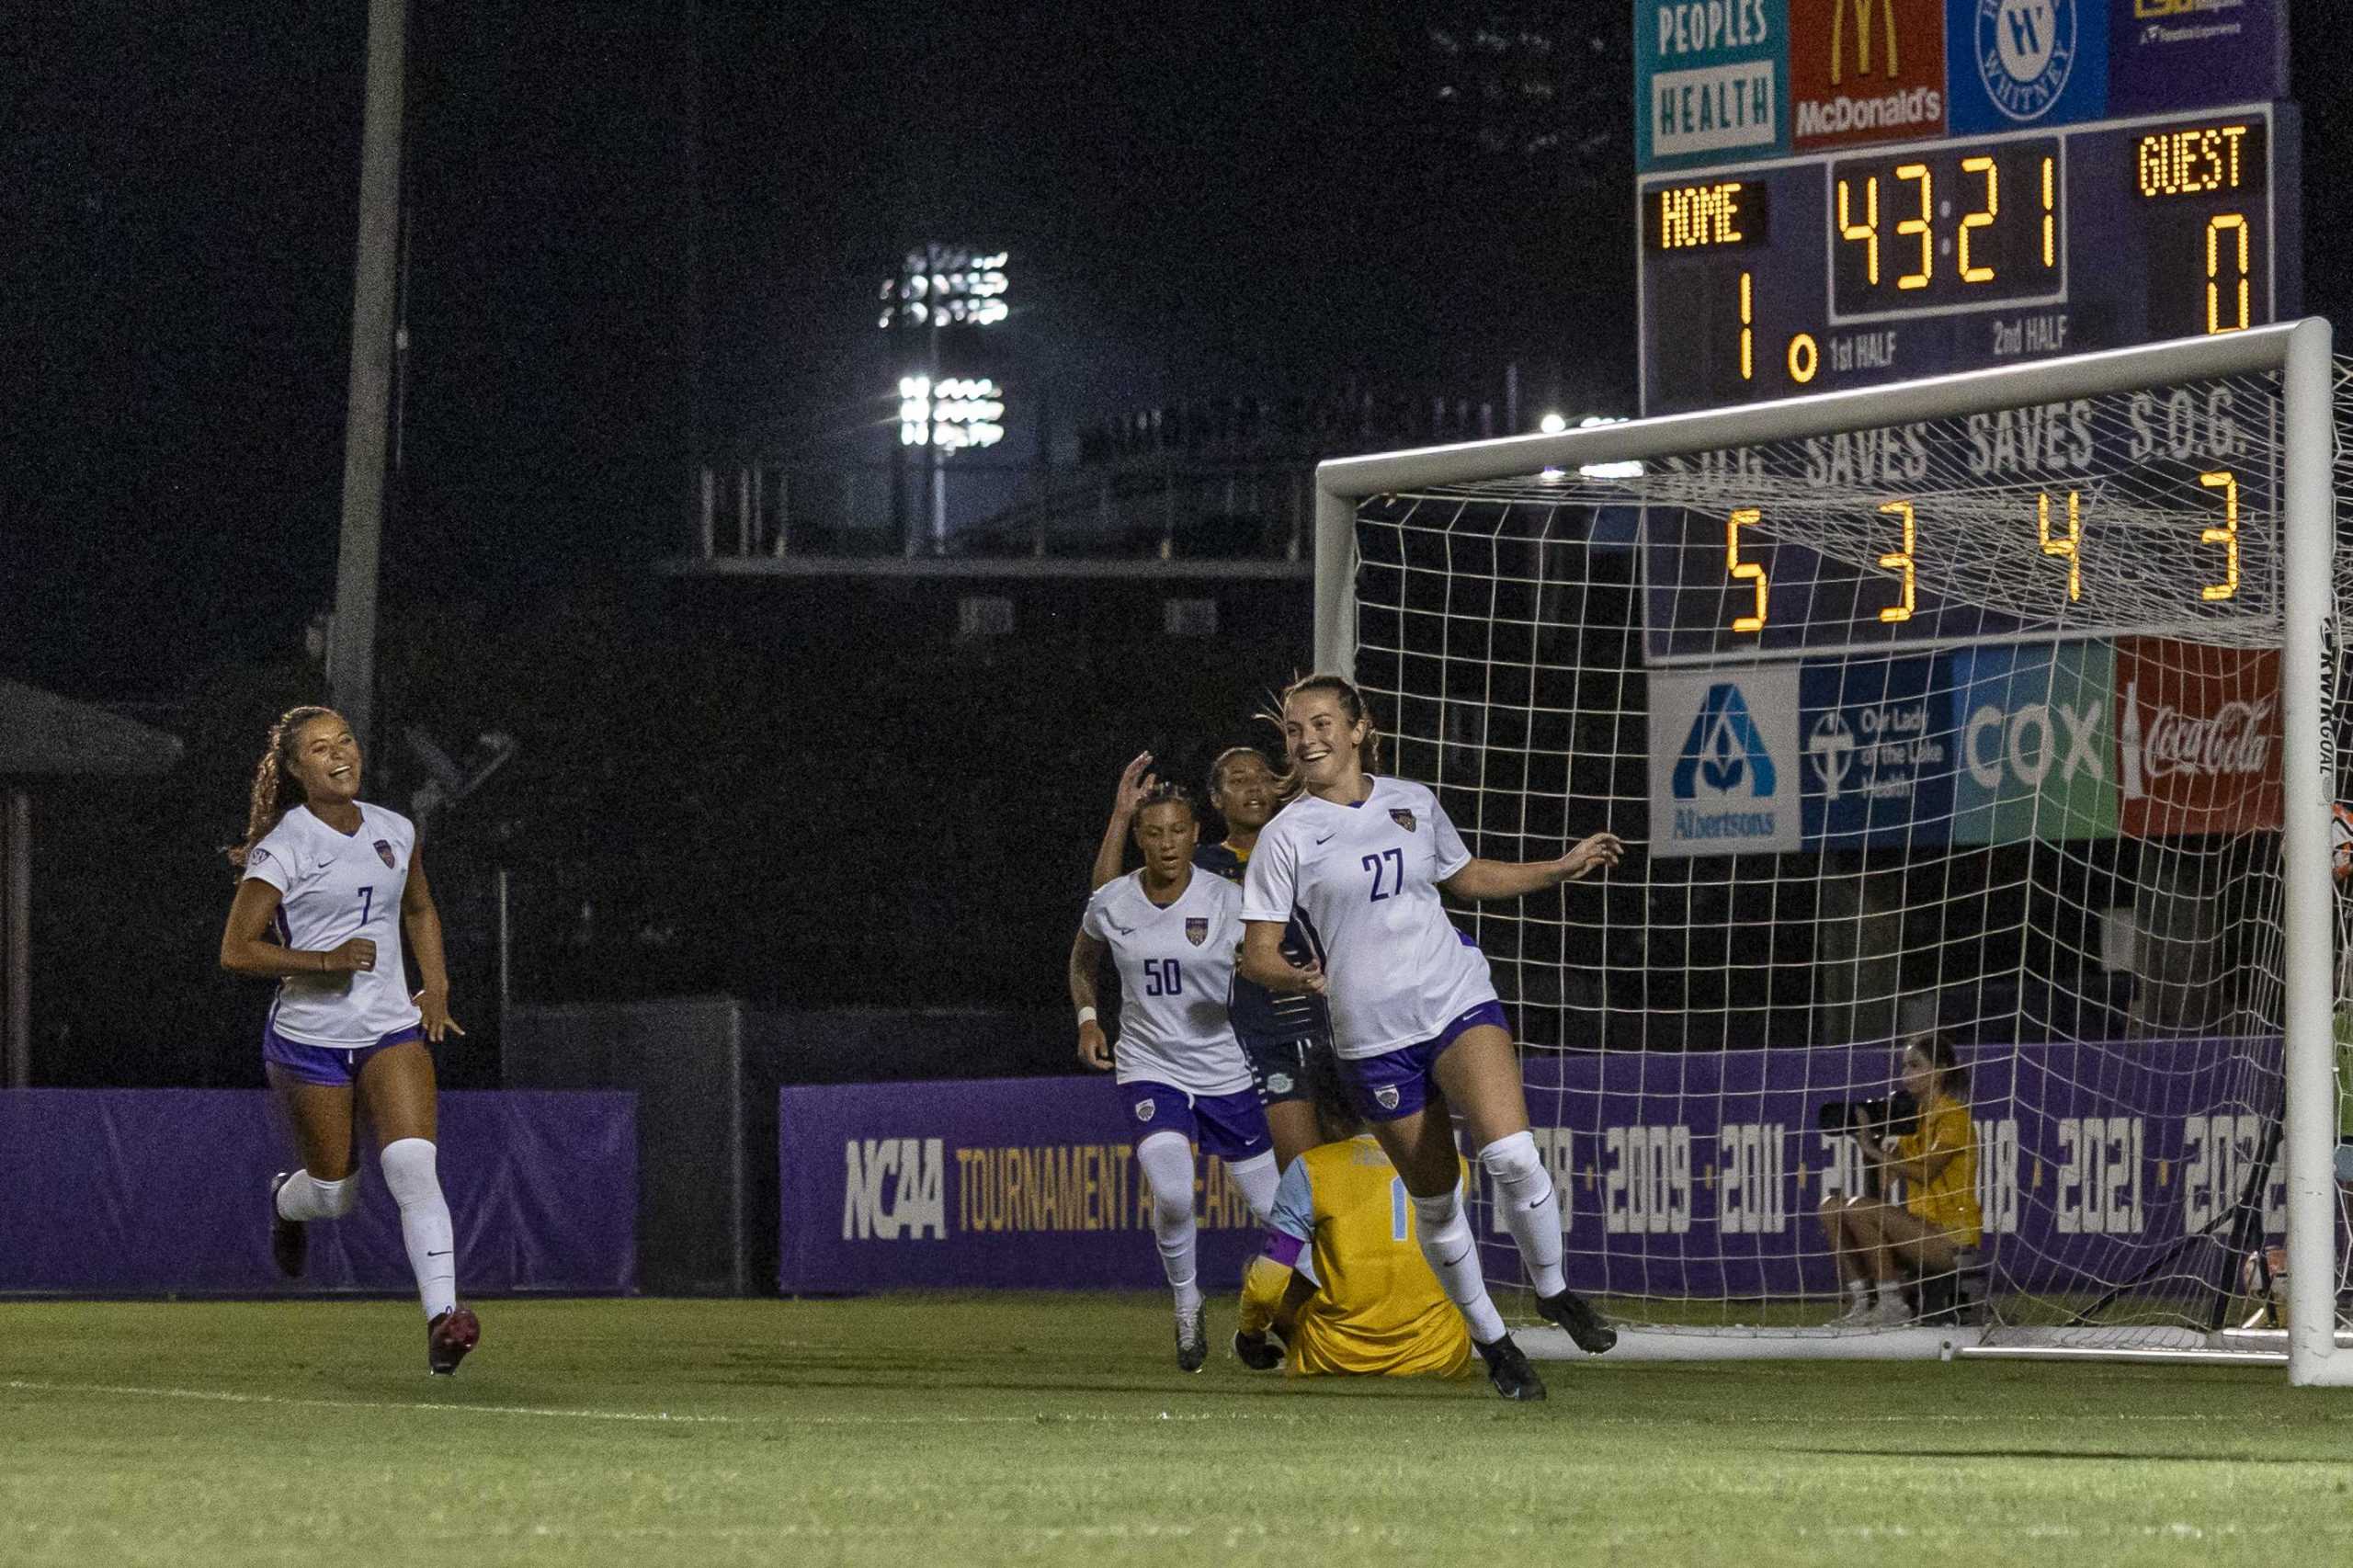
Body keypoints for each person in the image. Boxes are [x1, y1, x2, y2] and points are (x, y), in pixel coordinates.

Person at [1236, 672, 1623, 1402]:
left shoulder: (1413, 802)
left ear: (1357, 729)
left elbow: (1465, 876)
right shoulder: (1286, 836)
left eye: (1321, 722)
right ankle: (1495, 1344)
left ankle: (1553, 1289)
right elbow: (1255, 953)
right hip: (1371, 1036)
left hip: (1455, 999)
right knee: (1439, 1204)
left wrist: (1558, 868)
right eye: (1293, 728)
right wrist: (1293, 977)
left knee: (1511, 1156)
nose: (1307, 737)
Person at [217, 705, 479, 1375]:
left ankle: (444, 1322)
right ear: (298, 770)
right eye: (320, 749)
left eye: (347, 741)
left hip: (390, 1026)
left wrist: (437, 985)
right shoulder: (286, 846)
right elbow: (237, 952)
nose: (341, 755)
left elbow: (418, 908)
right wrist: (324, 961)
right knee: (336, 1194)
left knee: (413, 1166)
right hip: (309, 1039)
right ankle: (287, 1200)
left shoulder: (395, 827)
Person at [1070, 781, 1280, 1370]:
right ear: (1139, 838)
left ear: (1195, 835)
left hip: (1221, 1069)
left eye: (1177, 831)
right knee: (1170, 1191)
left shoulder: (1227, 899)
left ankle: (1278, 1314)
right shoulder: (1113, 900)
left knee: (1276, 1212)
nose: (1167, 844)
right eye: (1154, 832)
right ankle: (1187, 1303)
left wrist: (1287, 974)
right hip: (1149, 1066)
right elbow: (1084, 959)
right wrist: (1089, 1018)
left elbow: (1264, 958)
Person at [1090, 745, 1335, 1169]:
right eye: (1238, 781)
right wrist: (1120, 817)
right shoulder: (1199, 868)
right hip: (1260, 1041)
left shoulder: (1306, 849)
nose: (1254, 787)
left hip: (1333, 1027)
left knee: (1362, 1165)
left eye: (1262, 776)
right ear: (1216, 800)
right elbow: (1110, 902)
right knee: (1304, 1176)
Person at [1233, 1053, 1473, 1381]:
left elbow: (1266, 1285)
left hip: (1335, 1358)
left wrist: (1250, 1337)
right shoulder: (1452, 1164)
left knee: (1257, 1270)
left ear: (1329, 1112)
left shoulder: (1311, 1170)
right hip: (1441, 1356)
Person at [1816, 1031, 1984, 1326]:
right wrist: (1873, 1145)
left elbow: (1926, 1172)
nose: (1906, 1074)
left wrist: (1874, 1151)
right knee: (1831, 1206)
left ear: (1940, 1071)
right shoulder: (1912, 1121)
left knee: (1859, 1207)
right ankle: (1864, 1301)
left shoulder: (1953, 1117)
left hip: (1953, 1241)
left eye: (1915, 1065)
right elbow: (1882, 1189)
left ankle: (1893, 1304)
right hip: (1919, 1232)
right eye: (1904, 1066)